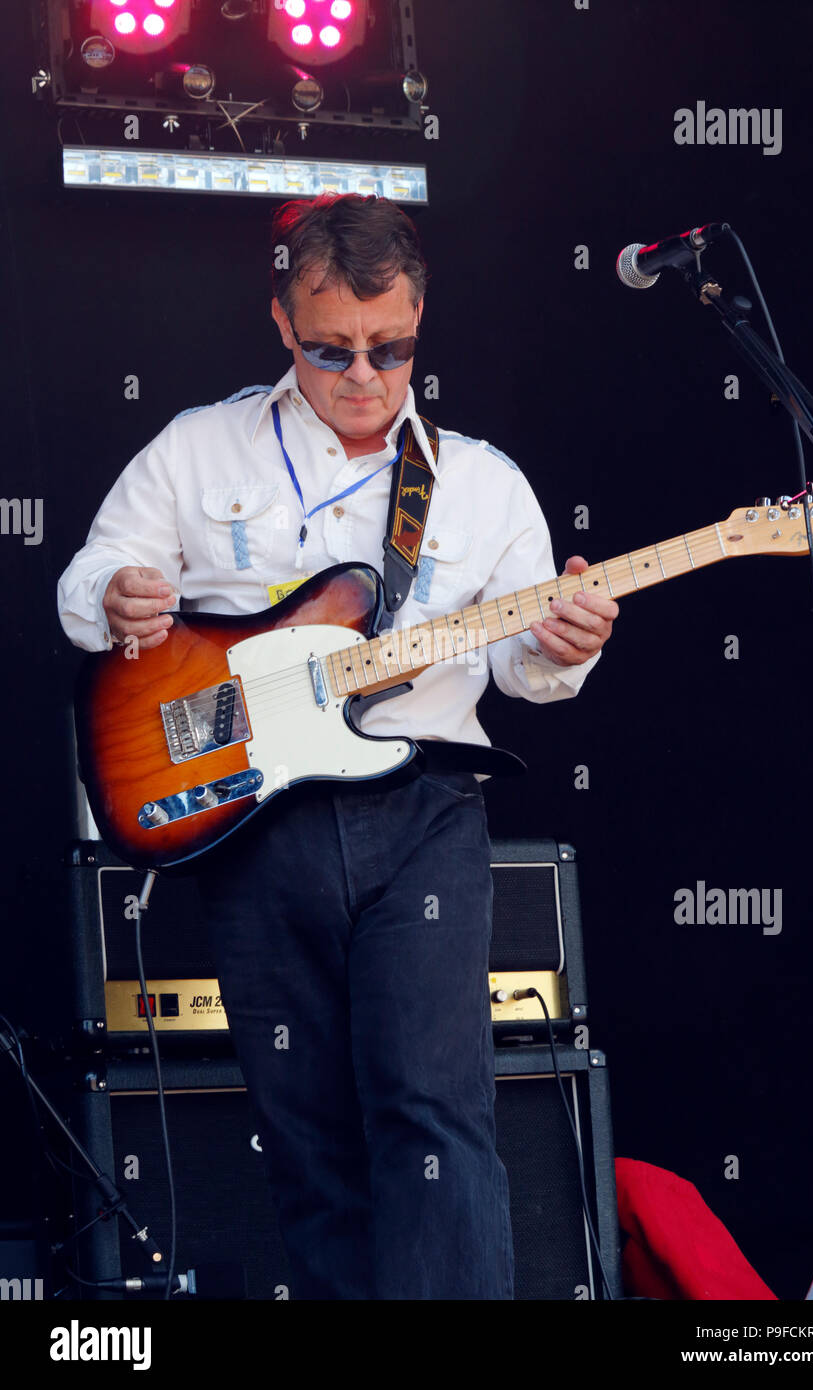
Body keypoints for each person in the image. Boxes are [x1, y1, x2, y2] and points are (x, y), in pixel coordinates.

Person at [57, 194, 619, 1300]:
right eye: (330, 349)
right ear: (279, 322)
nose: (363, 375)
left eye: (391, 348)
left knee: (432, 1114)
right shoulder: (196, 446)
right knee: (305, 1135)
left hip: (424, 817)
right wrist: (112, 597)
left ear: (418, 320)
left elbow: (524, 675)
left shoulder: (484, 482)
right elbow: (87, 578)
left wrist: (567, 643)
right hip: (254, 825)